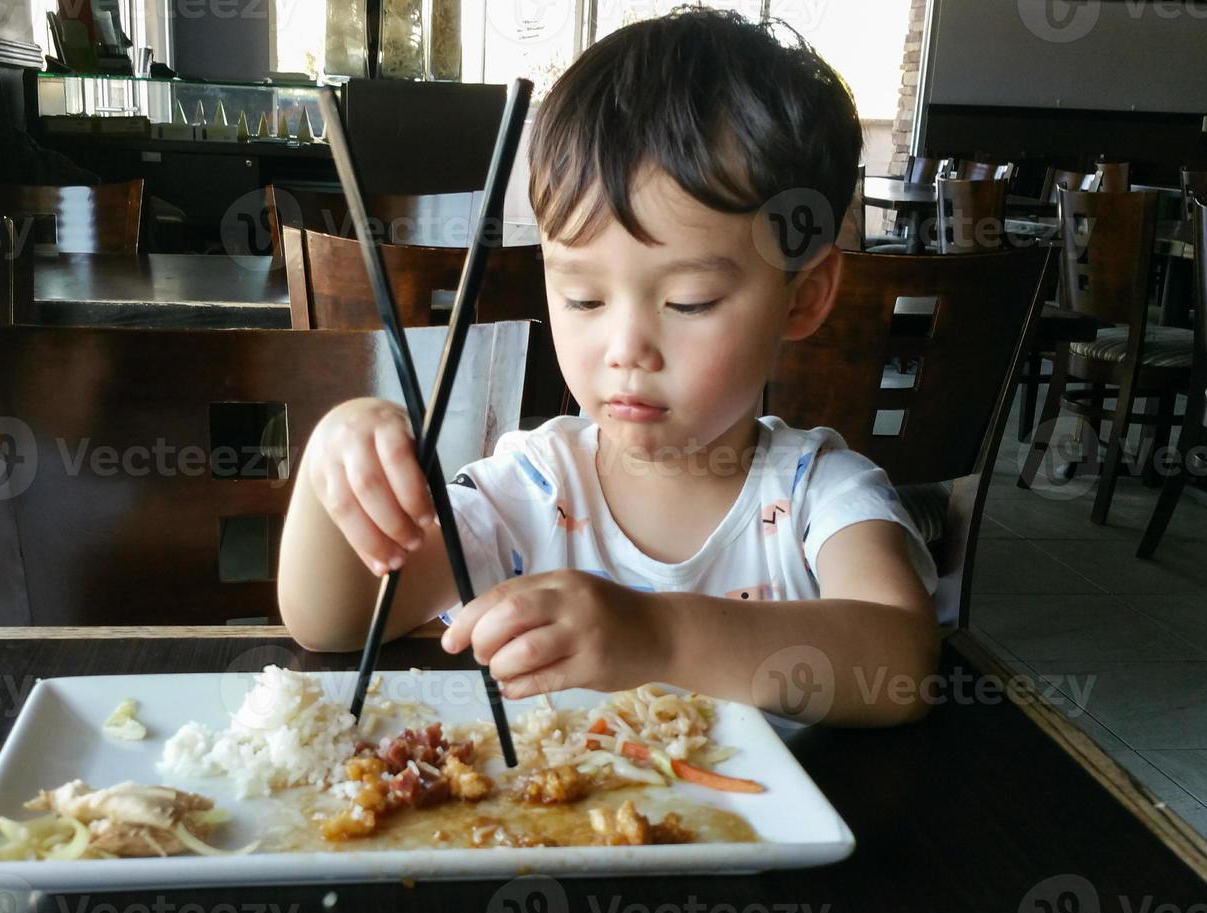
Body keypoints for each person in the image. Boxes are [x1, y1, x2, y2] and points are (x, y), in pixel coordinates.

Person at [277, 9, 939, 725]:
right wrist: (331, 469)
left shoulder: (817, 494)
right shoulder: (532, 488)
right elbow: (333, 622)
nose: (626, 348)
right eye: (583, 296)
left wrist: (656, 634)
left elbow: (899, 663)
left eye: (689, 301)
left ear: (802, 297)